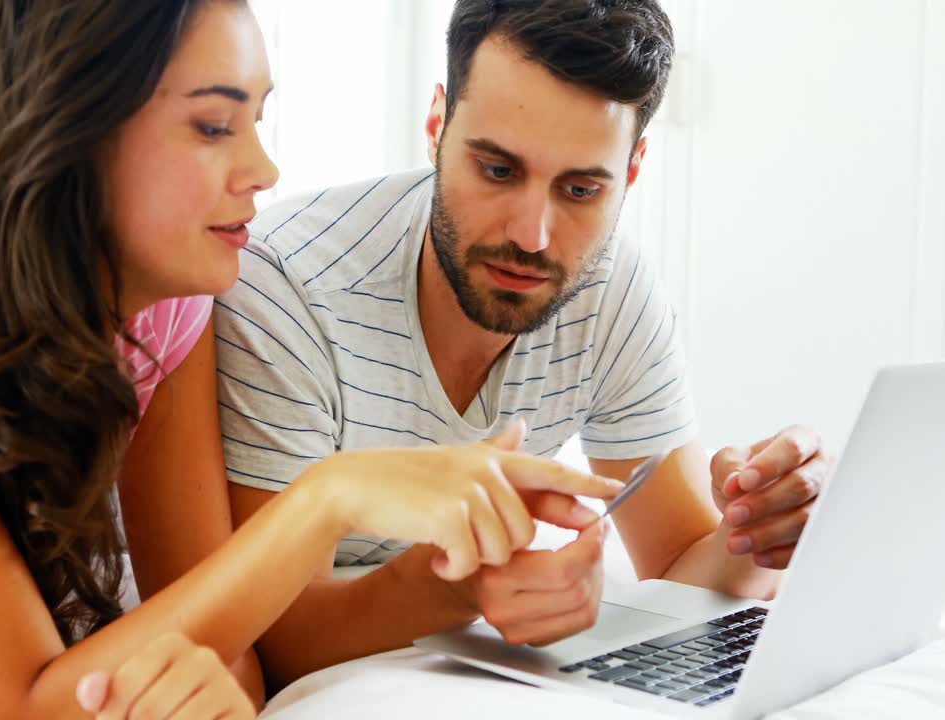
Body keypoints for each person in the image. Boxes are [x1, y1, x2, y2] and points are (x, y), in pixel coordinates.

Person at [0, 2, 622, 718]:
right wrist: (329, 497)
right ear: (75, 125)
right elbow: (28, 703)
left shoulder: (169, 296)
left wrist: (222, 691)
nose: (263, 169)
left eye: (257, 120)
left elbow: (222, 643)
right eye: (215, 126)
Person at [215, 0, 834, 690]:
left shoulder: (608, 284)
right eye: (498, 171)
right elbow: (268, 638)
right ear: (436, 125)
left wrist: (759, 532)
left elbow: (681, 570)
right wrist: (459, 588)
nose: (532, 236)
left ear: (631, 172)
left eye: (580, 189)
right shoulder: (286, 287)